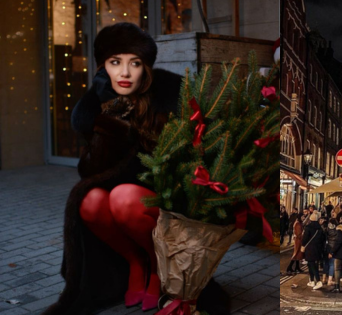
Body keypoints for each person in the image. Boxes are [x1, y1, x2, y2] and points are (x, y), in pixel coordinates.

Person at [43, 23, 227, 315]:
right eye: (115, 62)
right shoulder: (101, 106)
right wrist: (107, 112)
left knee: (123, 198)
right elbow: (91, 171)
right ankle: (135, 262)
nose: (125, 73)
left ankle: (157, 267)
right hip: (123, 194)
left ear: (146, 67)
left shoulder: (169, 94)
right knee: (89, 202)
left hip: (165, 199)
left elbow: (196, 153)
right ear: (103, 66)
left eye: (135, 63)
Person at [302, 212, 325, 290]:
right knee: (311, 264)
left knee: (312, 264)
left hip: (309, 248)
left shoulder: (308, 227)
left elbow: (305, 238)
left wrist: (302, 245)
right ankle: (312, 280)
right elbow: (323, 239)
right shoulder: (320, 228)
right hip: (318, 248)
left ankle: (318, 281)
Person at [323, 212, 339, 286]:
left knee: (326, 263)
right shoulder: (337, 230)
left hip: (327, 247)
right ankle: (330, 280)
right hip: (333, 248)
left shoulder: (327, 229)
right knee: (332, 264)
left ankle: (323, 279)